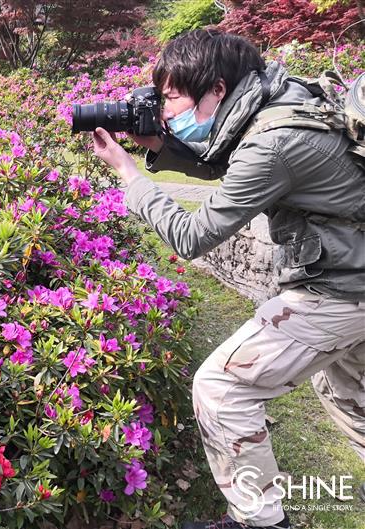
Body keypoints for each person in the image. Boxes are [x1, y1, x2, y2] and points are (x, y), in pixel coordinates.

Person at [88, 28, 365, 529]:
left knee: (222, 388)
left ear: (216, 88)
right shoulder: (280, 98)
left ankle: (259, 521)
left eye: (172, 96)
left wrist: (131, 175)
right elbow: (230, 158)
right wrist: (163, 145)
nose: (164, 107)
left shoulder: (276, 142)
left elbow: (193, 235)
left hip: (343, 290)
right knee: (350, 394)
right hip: (356, 274)